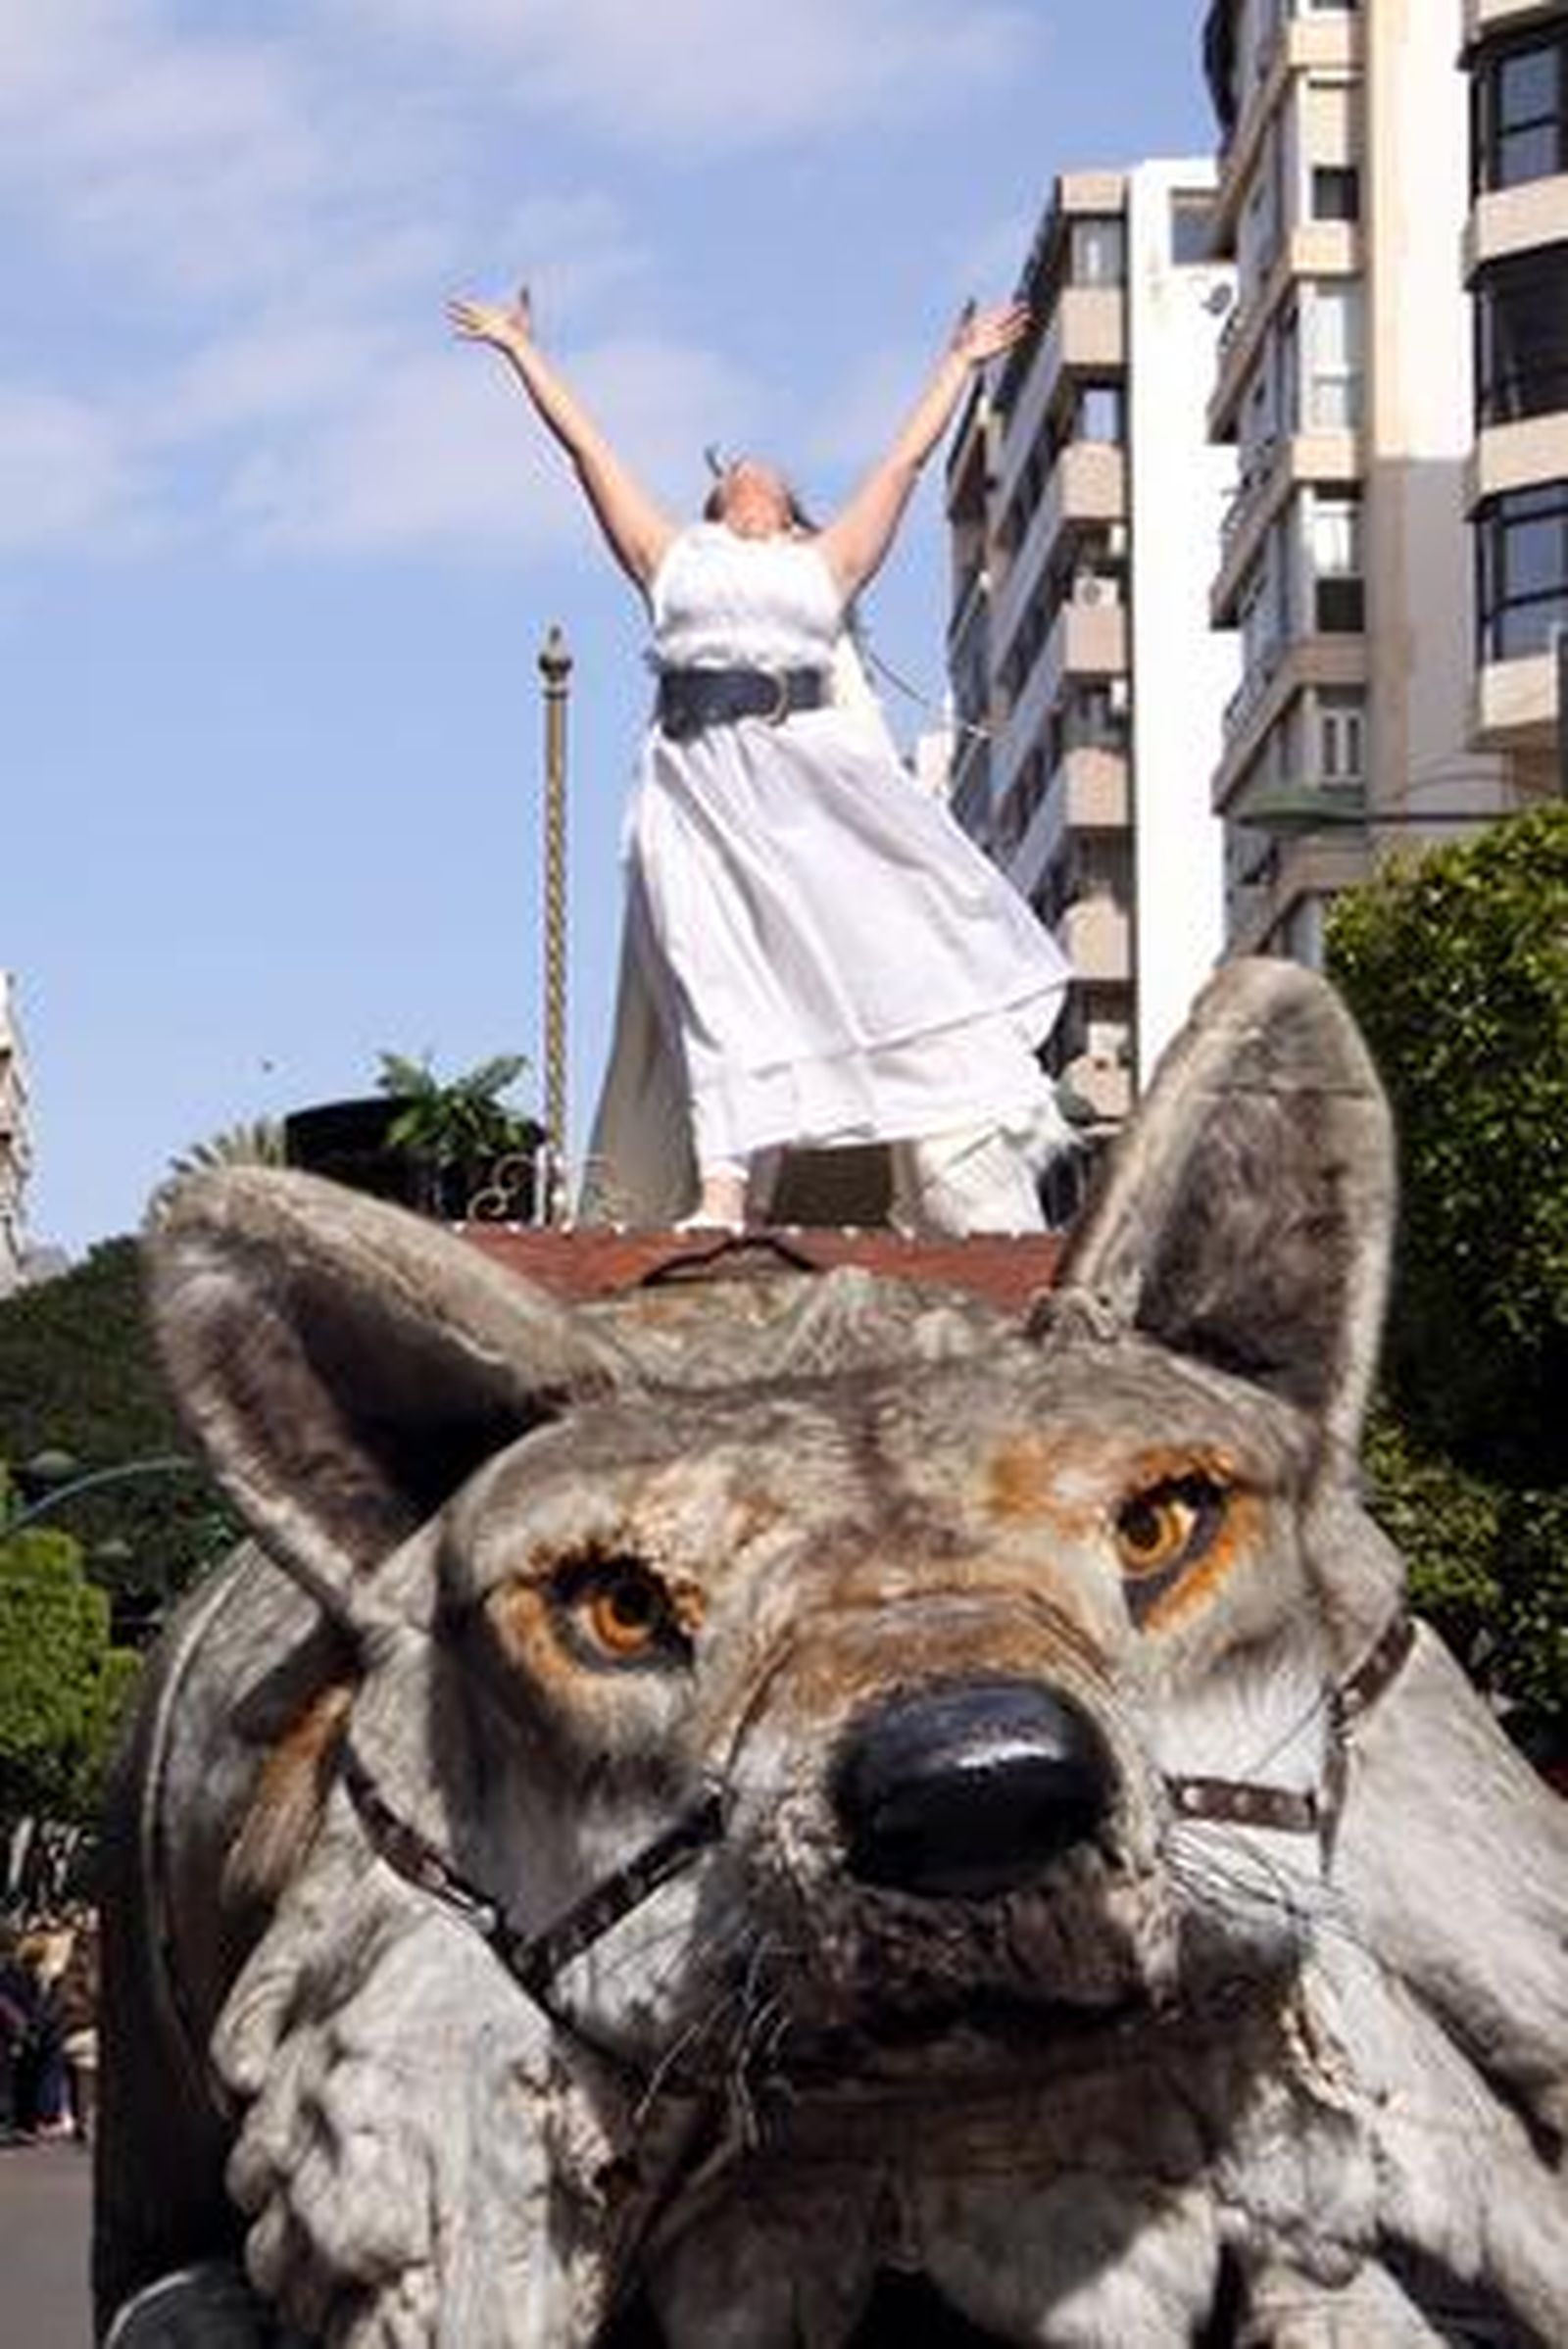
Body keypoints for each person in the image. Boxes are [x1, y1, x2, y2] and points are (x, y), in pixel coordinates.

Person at [448, 283, 1073, 1232]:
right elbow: (588, 451)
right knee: (711, 975)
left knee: (876, 954)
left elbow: (904, 463)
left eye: (765, 479)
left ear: (787, 517)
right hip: (694, 783)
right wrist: (522, 351)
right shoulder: (672, 558)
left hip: (806, 789)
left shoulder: (825, 562)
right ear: (712, 511)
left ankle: (952, 1169)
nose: (747, 475)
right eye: (731, 478)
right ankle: (723, 1190)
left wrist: (958, 364)